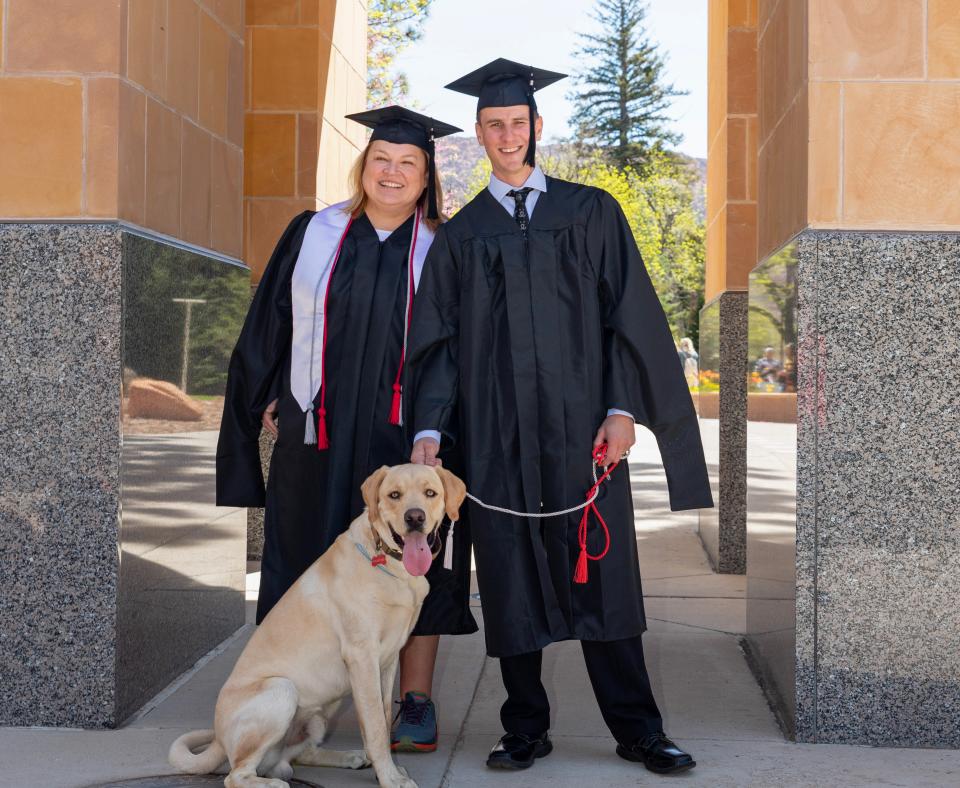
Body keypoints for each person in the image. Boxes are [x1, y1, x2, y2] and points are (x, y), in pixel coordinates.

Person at [405, 59, 713, 775]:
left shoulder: (591, 212)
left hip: (584, 436)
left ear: (537, 128)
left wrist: (622, 409)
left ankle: (638, 729)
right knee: (510, 579)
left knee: (604, 576)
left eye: (517, 123)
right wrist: (429, 429)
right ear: (479, 135)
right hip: (496, 439)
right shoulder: (462, 236)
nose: (507, 134)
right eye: (493, 125)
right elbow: (438, 345)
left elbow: (629, 318)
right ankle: (524, 728)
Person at [216, 106, 477, 754]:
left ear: (426, 178)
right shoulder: (314, 231)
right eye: (382, 160)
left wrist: (436, 429)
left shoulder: (442, 249)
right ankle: (291, 688)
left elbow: (453, 349)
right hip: (317, 429)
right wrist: (271, 390)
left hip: (406, 438)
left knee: (414, 562)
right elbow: (273, 316)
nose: (392, 173)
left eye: (407, 164)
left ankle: (412, 700)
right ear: (365, 166)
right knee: (300, 552)